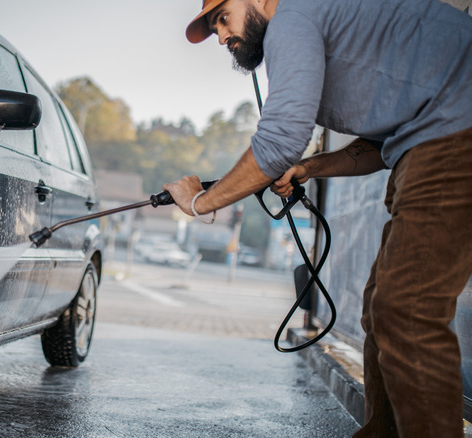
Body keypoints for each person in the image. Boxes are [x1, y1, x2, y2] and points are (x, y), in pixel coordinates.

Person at [162, 0, 472, 436]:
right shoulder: (310, 22)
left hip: (455, 133)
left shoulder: (292, 19)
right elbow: (377, 146)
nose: (221, 36)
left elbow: (279, 141)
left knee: (407, 311)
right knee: (382, 309)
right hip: (428, 141)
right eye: (214, 28)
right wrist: (310, 168)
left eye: (222, 17)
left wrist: (201, 202)